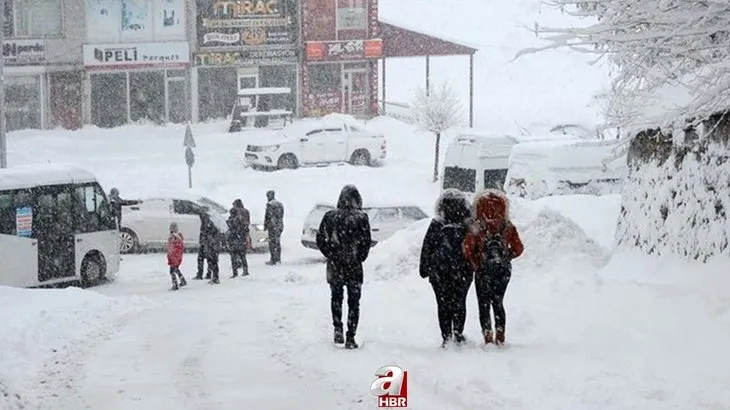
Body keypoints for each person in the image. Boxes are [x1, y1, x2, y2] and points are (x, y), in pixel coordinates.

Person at [463, 189, 524, 346]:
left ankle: (487, 334)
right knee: (498, 302)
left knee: (483, 304)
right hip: (502, 270)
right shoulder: (507, 226)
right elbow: (519, 249)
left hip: (483, 270)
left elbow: (467, 249)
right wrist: (506, 256)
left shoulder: (477, 227)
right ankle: (500, 333)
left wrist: (476, 262)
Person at [316, 185, 372, 349]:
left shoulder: (330, 216)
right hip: (354, 265)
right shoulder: (361, 218)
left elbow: (320, 238)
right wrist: (359, 256)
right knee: (354, 302)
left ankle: (337, 328)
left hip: (335, 265)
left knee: (336, 297)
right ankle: (350, 336)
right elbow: (366, 241)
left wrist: (330, 253)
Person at [419, 189, 473, 347]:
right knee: (460, 302)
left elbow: (427, 246)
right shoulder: (467, 223)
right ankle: (458, 332)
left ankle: (446, 336)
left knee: (443, 304)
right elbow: (474, 246)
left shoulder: (437, 223)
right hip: (463, 270)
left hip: (439, 272)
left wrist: (424, 268)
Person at [197, 211, 222, 284]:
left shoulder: (208, 223)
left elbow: (210, 234)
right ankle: (211, 275)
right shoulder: (206, 223)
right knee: (210, 260)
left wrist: (208, 240)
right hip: (208, 244)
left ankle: (215, 277)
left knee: (212, 260)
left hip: (210, 245)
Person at [227, 204, 250, 278]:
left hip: (233, 242)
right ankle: (245, 271)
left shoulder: (229, 221)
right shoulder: (241, 221)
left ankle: (235, 273)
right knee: (243, 256)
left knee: (233, 258)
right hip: (241, 241)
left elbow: (229, 232)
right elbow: (246, 229)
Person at [263, 190, 284, 265]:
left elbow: (268, 216)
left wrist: (265, 226)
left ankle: (273, 259)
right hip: (279, 226)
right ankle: (278, 259)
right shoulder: (280, 204)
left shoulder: (270, 205)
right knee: (277, 242)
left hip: (272, 226)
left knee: (272, 243)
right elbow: (281, 215)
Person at [167, 222, 187, 291]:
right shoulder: (178, 237)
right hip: (177, 257)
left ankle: (175, 284)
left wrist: (171, 256)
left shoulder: (173, 238)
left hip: (174, 258)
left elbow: (172, 249)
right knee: (176, 269)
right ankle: (182, 280)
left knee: (172, 271)